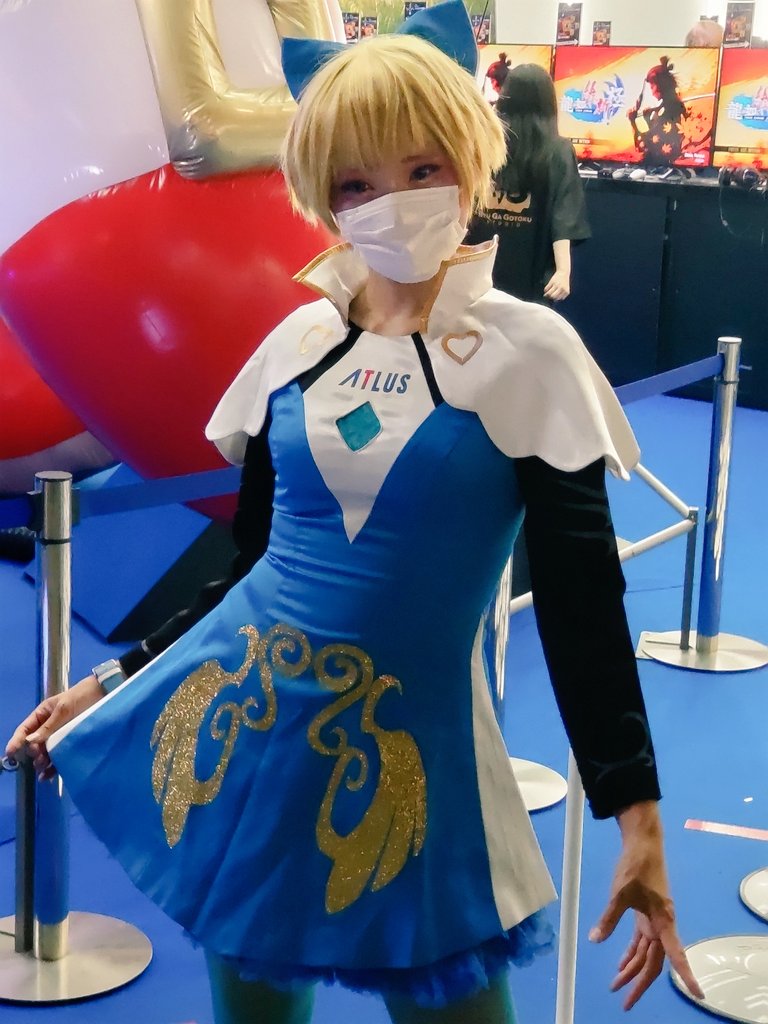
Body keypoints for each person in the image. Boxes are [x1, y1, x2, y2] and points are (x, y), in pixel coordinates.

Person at [6, 3, 704, 1022]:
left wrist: (637, 818)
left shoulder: (531, 356)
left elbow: (582, 604)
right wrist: (110, 680)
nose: (393, 201)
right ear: (321, 196)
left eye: (422, 168)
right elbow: (251, 572)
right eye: (356, 184)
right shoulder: (294, 346)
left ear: (469, 161)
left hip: (416, 774)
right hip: (250, 750)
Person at [465, 63, 590, 305]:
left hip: (477, 275)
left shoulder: (484, 144)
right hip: (530, 281)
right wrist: (563, 271)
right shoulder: (558, 150)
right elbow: (563, 214)